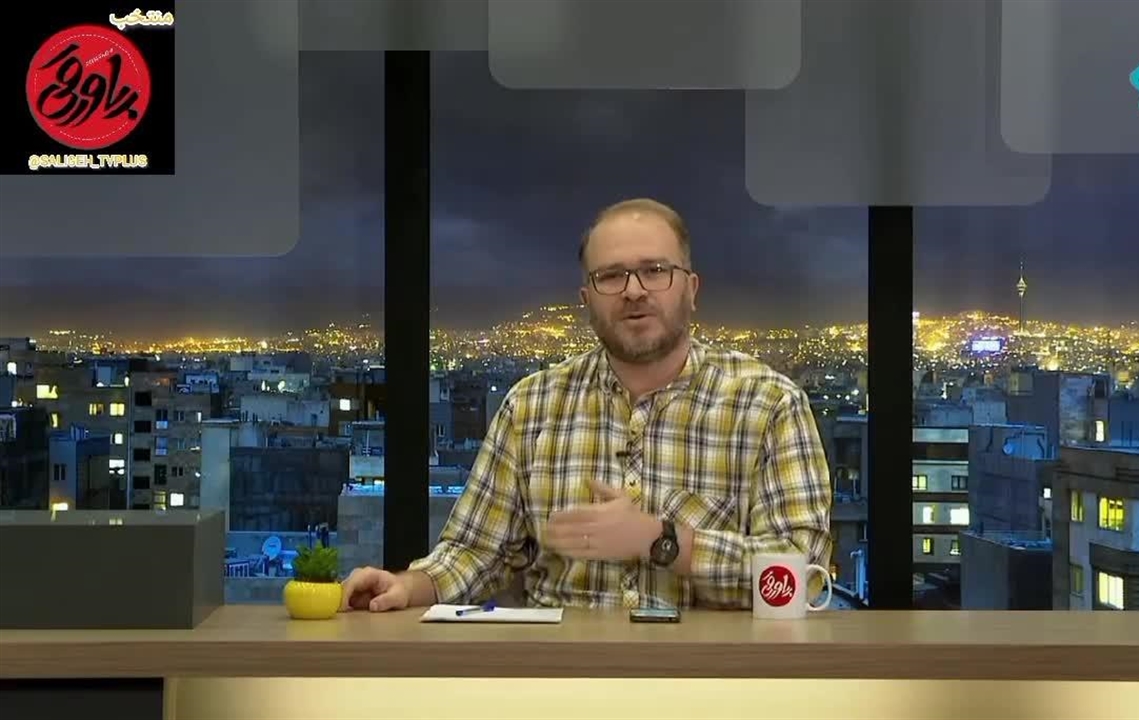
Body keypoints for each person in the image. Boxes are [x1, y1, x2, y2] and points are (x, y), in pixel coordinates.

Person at [341, 198, 832, 612]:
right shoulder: (531, 407)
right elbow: (475, 554)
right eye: (611, 276)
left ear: (691, 288)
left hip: (714, 681)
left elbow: (804, 577)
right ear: (587, 299)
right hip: (559, 678)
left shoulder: (768, 404)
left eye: (655, 271)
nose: (634, 290)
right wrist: (407, 587)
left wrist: (661, 540)